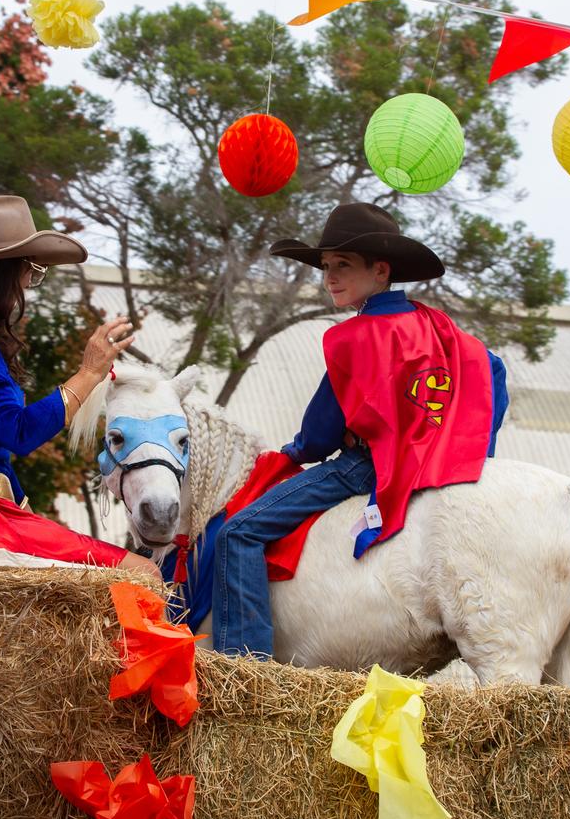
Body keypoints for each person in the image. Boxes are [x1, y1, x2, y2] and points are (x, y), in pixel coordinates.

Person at [212, 202, 508, 658]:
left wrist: (295, 451)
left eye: (343, 266)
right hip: (435, 467)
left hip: (365, 469)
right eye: (327, 266)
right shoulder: (441, 327)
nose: (330, 276)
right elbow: (494, 375)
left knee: (238, 533)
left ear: (381, 270)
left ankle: (243, 668)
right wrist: (472, 455)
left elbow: (320, 436)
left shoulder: (351, 337)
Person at [0, 194, 160, 579]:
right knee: (142, 574)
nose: (27, 284)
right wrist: (89, 372)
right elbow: (16, 432)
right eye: (28, 269)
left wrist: (21, 505)